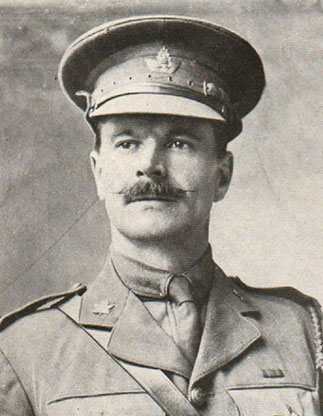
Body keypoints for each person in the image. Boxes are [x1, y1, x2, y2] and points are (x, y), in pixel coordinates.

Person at [0, 15, 322, 416]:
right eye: (128, 143)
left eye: (179, 143)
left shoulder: (303, 332)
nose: (150, 165)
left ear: (222, 176)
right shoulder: (23, 349)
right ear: (98, 173)